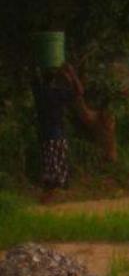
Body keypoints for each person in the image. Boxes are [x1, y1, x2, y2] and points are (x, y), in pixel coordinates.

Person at [32, 63, 82, 203]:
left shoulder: (39, 92)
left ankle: (46, 198)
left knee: (49, 168)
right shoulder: (58, 93)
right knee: (56, 170)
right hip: (57, 135)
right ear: (56, 80)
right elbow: (79, 91)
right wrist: (72, 75)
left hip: (44, 135)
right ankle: (48, 198)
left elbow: (35, 78)